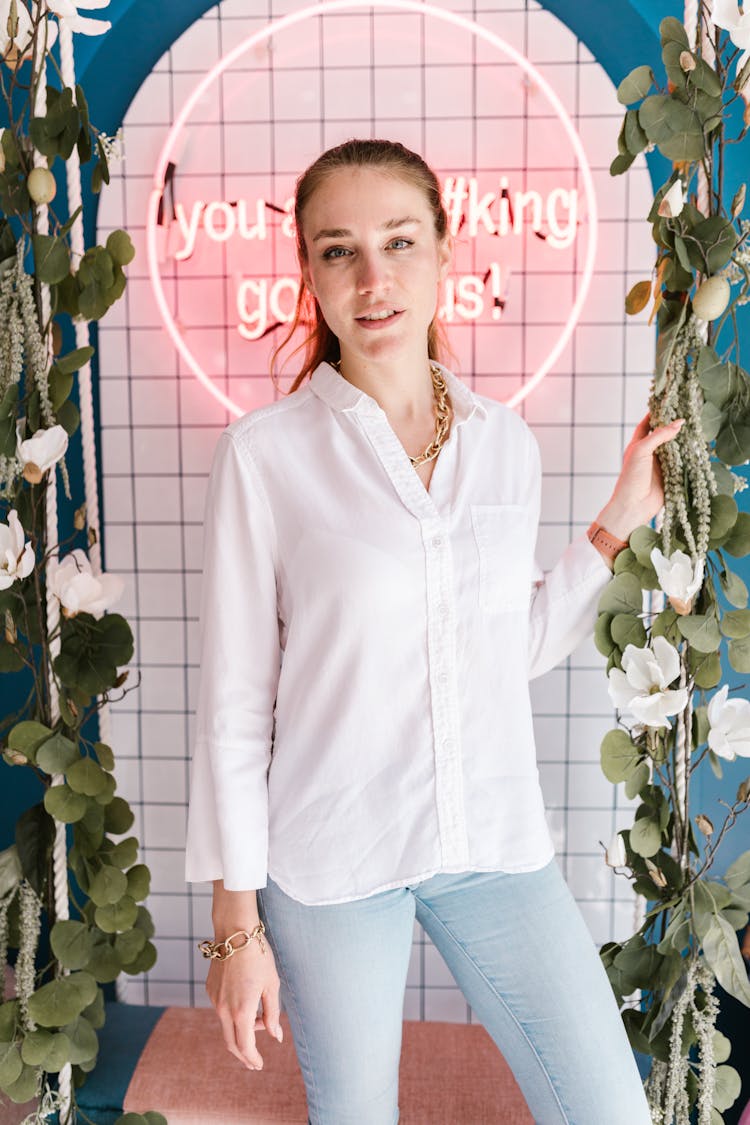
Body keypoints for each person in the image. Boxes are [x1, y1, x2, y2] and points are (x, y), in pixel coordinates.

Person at [185, 138, 680, 1125]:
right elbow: (236, 704)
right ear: (309, 274)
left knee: (611, 1112)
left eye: (400, 241)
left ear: (447, 251)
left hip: (493, 839)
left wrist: (618, 517)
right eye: (339, 251)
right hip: (332, 859)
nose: (374, 279)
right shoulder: (264, 458)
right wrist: (235, 925)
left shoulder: (506, 447)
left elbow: (509, 652)